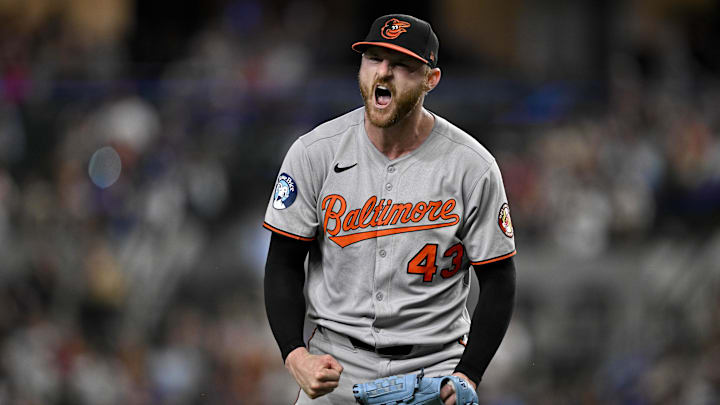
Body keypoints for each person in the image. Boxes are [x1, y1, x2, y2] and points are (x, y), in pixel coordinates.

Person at [263, 14, 517, 404]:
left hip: (435, 370)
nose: (384, 72)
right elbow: (282, 261)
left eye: (401, 64)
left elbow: (498, 279)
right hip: (335, 367)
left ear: (431, 79)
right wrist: (294, 354)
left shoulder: (471, 166)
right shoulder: (315, 152)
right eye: (374, 59)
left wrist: (469, 373)